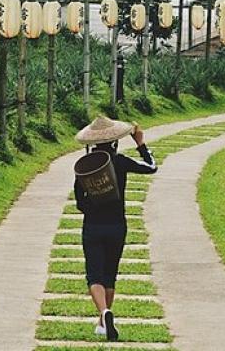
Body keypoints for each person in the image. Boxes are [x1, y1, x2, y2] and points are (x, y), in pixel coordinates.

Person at [73, 116, 158, 342]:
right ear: (115, 141)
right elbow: (151, 167)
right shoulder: (120, 161)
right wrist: (140, 143)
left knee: (94, 275)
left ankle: (103, 314)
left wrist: (91, 208)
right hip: (117, 226)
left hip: (92, 226)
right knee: (110, 275)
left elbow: (79, 202)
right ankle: (104, 320)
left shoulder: (84, 166)